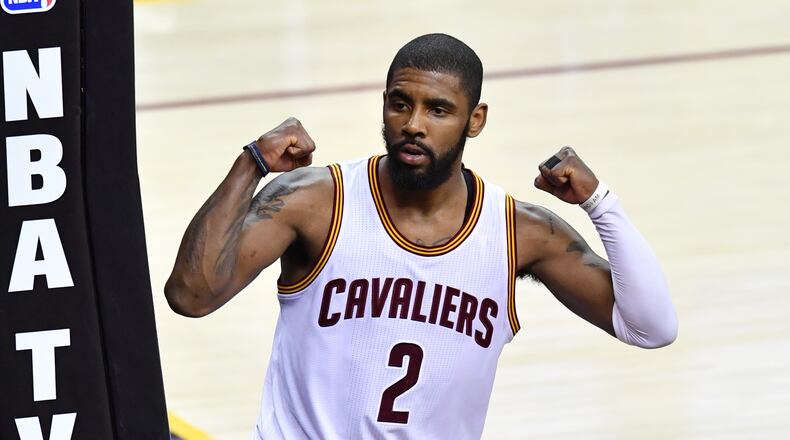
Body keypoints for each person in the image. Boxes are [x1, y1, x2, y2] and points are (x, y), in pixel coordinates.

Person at [165, 33, 677, 439]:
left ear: (475, 120)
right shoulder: (316, 201)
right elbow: (191, 295)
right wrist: (251, 164)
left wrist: (600, 204)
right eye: (400, 104)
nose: (413, 124)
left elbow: (650, 328)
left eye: (438, 109)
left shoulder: (519, 231)